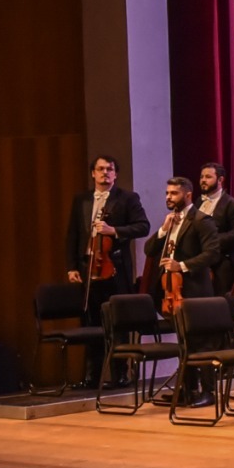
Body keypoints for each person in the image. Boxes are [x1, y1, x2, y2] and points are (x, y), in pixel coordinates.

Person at [64, 155, 149, 385]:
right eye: (100, 169)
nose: (105, 173)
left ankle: (120, 374)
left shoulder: (127, 198)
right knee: (91, 323)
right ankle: (92, 376)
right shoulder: (81, 199)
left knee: (116, 323)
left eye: (109, 169)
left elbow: (143, 226)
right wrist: (72, 266)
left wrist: (114, 230)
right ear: (93, 173)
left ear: (115, 174)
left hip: (115, 268)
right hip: (88, 268)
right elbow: (73, 234)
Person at [143, 175, 218, 307]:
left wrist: (180, 266)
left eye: (174, 193)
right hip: (169, 289)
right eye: (167, 193)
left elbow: (212, 254)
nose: (168, 197)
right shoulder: (169, 220)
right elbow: (148, 250)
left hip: (193, 289)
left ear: (188, 195)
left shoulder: (202, 220)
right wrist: (164, 229)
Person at [193, 162, 234, 256]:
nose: (203, 180)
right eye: (202, 177)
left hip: (222, 258)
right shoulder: (198, 201)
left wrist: (210, 241)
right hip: (199, 257)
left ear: (220, 180)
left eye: (208, 177)